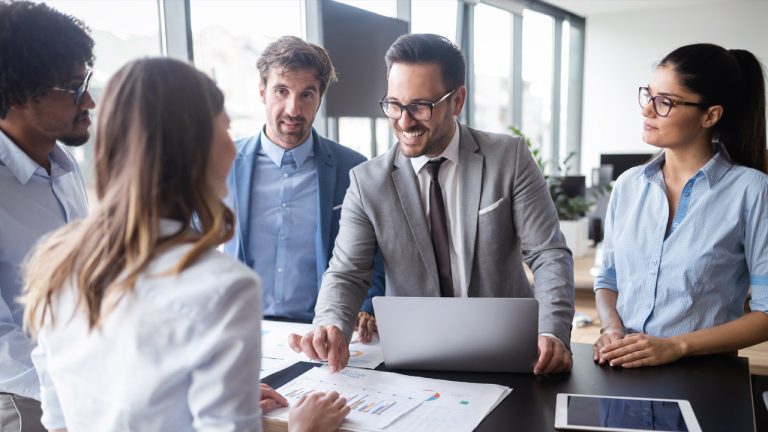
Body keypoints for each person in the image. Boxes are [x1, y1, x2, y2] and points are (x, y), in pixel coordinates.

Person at [20, 57, 349, 431]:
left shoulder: (57, 262)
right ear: (194, 147)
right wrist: (304, 428)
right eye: (224, 131)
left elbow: (60, 422)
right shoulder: (222, 286)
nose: (233, 148)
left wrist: (219, 396)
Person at [289, 33, 575, 375]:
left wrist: (551, 330)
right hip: (414, 357)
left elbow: (548, 253)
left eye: (420, 106)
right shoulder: (367, 182)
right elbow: (348, 272)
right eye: (394, 104)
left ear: (457, 101)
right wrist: (330, 323)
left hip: (510, 353)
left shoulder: (508, 158)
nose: (405, 121)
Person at [593, 43, 768, 368]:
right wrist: (610, 327)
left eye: (665, 103)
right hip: (623, 368)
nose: (647, 110)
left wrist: (676, 346)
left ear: (710, 115)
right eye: (649, 95)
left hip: (706, 376)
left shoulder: (752, 191)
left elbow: (766, 313)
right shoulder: (628, 185)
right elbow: (608, 280)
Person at [224, 35, 384, 339]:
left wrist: (366, 305)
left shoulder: (353, 168)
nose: (293, 109)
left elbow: (373, 252)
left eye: (306, 95)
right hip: (243, 329)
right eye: (281, 91)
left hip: (321, 331)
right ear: (262, 92)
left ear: (320, 99)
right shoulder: (223, 162)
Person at [0, 2, 94, 430]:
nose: (88, 100)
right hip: (25, 402)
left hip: (85, 386)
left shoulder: (65, 168)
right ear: (18, 93)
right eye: (73, 88)